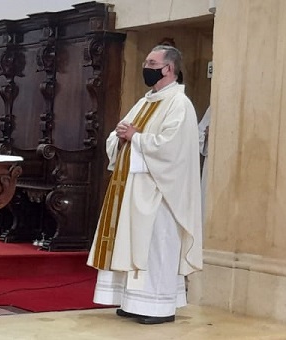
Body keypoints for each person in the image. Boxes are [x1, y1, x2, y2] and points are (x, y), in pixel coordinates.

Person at [87, 45, 202, 325]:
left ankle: (159, 307)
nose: (146, 67)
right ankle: (134, 302)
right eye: (145, 61)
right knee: (133, 243)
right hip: (132, 188)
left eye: (152, 62)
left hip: (160, 193)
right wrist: (120, 136)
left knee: (156, 246)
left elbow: (172, 148)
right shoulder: (145, 101)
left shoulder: (179, 103)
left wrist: (136, 137)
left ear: (168, 69)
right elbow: (121, 133)